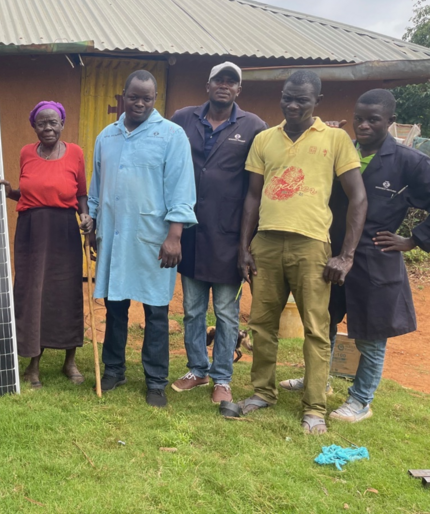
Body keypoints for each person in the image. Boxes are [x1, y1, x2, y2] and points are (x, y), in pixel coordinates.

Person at [281, 89, 430, 423]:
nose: (363, 126)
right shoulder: (340, 148)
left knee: (370, 334)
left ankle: (361, 400)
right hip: (330, 251)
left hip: (374, 257)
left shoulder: (409, 162)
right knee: (323, 322)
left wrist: (413, 240)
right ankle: (318, 381)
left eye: (373, 120)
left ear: (391, 121)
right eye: (359, 118)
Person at [236, 70, 367, 434]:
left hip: (312, 246)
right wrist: (244, 247)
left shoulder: (337, 139)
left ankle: (314, 407)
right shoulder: (264, 139)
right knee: (261, 324)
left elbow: (357, 197)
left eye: (302, 100)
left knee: (316, 329)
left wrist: (347, 255)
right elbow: (251, 196)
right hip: (266, 243)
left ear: (317, 103)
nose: (292, 105)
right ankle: (262, 392)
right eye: (287, 98)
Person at [87, 70, 197, 408]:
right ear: (123, 95)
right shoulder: (107, 135)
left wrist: (175, 236)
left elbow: (182, 189)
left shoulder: (171, 135)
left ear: (155, 99)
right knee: (115, 306)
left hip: (155, 239)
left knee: (156, 311)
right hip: (114, 235)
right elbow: (97, 185)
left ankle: (155, 381)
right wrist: (92, 223)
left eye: (146, 98)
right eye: (133, 96)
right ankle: (115, 369)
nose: (139, 103)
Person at [170, 62, 267, 403]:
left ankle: (222, 378)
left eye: (232, 82)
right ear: (207, 85)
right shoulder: (183, 118)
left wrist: (248, 244)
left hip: (229, 237)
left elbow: (263, 176)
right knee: (193, 309)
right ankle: (198, 369)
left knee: (226, 312)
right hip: (192, 234)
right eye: (219, 80)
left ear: (238, 90)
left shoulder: (253, 126)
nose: (225, 86)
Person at [0, 101, 93, 389]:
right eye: (42, 123)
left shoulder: (75, 153)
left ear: (62, 124)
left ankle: (69, 361)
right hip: (31, 232)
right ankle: (33, 363)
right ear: (33, 126)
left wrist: (86, 217)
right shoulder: (27, 152)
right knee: (32, 293)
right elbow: (27, 194)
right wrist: (9, 190)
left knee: (66, 292)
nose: (48, 128)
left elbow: (82, 195)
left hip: (64, 230)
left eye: (53, 122)